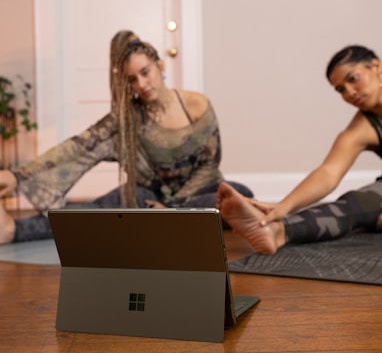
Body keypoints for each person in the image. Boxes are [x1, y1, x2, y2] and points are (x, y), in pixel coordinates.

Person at [0, 30, 253, 244]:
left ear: (160, 66)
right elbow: (77, 147)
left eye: (146, 72)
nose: (142, 83)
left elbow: (210, 165)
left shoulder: (196, 104)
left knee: (239, 194)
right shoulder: (126, 118)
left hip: (197, 194)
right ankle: (14, 230)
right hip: (149, 199)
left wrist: (174, 209)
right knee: (95, 212)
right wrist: (18, 176)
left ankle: (170, 220)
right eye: (132, 79)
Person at [216, 44, 382, 255]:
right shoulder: (361, 128)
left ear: (376, 67)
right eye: (340, 89)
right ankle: (278, 232)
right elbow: (328, 173)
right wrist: (282, 207)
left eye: (352, 79)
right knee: (355, 204)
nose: (349, 92)